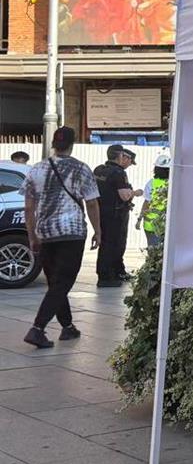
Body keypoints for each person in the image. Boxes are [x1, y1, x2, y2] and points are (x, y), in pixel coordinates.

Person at [19, 127, 102, 349]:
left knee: (56, 282)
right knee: (62, 283)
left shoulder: (36, 169)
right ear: (72, 144)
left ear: (54, 144)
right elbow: (92, 203)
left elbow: (28, 209)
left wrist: (32, 235)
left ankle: (67, 327)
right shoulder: (81, 169)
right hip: (72, 232)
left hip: (46, 233)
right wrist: (98, 230)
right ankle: (37, 329)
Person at [93, 145, 137, 286]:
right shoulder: (118, 173)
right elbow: (124, 196)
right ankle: (107, 277)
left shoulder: (99, 170)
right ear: (120, 156)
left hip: (100, 212)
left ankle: (112, 272)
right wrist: (135, 192)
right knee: (114, 244)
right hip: (115, 214)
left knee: (105, 243)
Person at [136, 154, 170, 248]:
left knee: (153, 253)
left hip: (150, 225)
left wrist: (139, 219)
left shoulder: (151, 183)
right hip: (165, 226)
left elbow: (146, 204)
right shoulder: (172, 184)